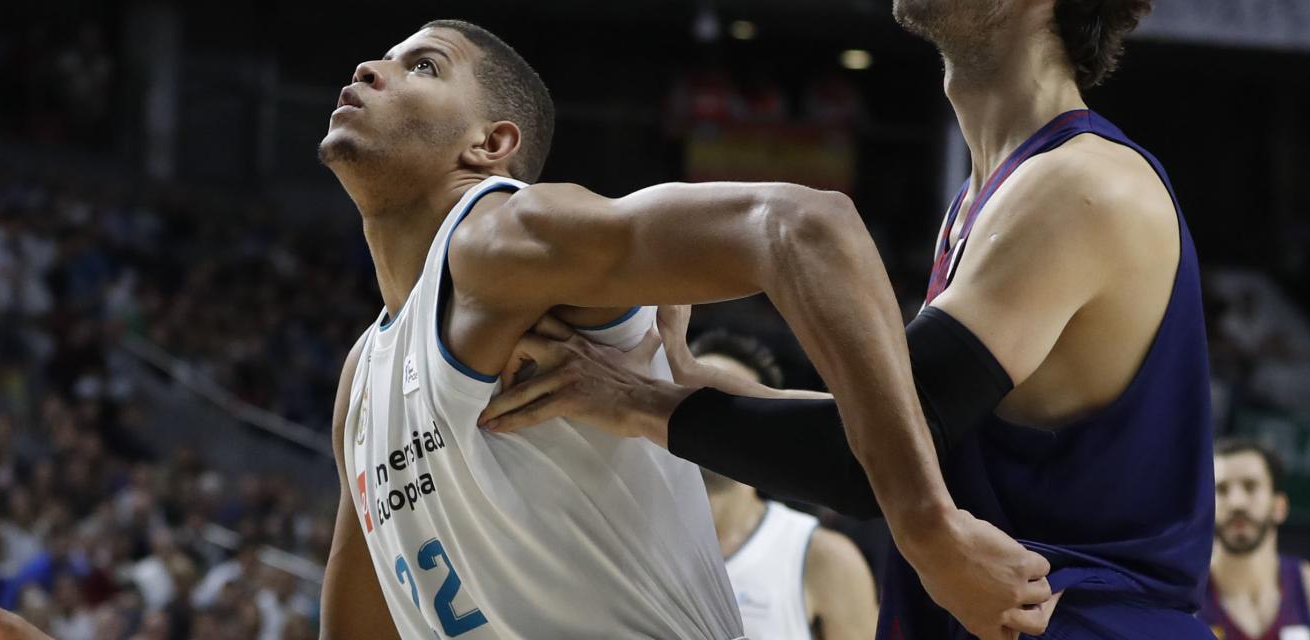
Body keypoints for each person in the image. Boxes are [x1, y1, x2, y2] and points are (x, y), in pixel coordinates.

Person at [0, 18, 1052, 640]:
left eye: (420, 64)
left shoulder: (500, 240)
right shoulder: (360, 375)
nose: (370, 69)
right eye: (378, 53)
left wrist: (926, 524)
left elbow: (807, 226)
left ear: (490, 144)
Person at [481, 0, 1216, 636]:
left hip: (1087, 619)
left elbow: (875, 459)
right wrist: (702, 384)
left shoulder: (1082, 186)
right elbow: (892, 435)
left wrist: (637, 400)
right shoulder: (983, 200)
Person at [691, 330, 878, 640]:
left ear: (764, 430)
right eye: (693, 398)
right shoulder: (623, 537)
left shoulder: (823, 558)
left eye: (726, 402)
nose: (708, 419)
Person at [1201, 439, 1310, 640]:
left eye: (1250, 487)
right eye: (1221, 489)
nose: (1236, 502)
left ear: (1279, 507)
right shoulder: (1180, 600)